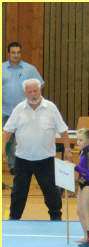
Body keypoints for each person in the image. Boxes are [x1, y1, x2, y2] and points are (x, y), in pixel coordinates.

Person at [3, 78, 69, 221]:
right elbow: (7, 131)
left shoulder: (51, 108)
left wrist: (68, 150)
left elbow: (63, 130)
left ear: (40, 90)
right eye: (29, 92)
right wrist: (2, 149)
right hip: (22, 159)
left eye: (35, 91)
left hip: (45, 159)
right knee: (18, 193)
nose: (33, 94)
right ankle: (14, 219)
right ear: (25, 93)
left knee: (51, 191)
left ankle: (56, 218)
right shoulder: (19, 109)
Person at [3, 42, 44, 174]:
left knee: (20, 140)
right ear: (8, 54)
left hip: (23, 112)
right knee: (5, 139)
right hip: (4, 111)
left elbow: (40, 85)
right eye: (13, 53)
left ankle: (15, 166)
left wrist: (32, 99)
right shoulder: (2, 68)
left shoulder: (29, 69)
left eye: (18, 52)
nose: (16, 55)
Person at [74, 128, 89, 245]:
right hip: (82, 183)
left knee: (86, 211)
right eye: (77, 140)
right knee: (79, 211)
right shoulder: (83, 151)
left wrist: (75, 167)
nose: (78, 142)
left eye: (81, 140)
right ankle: (85, 235)